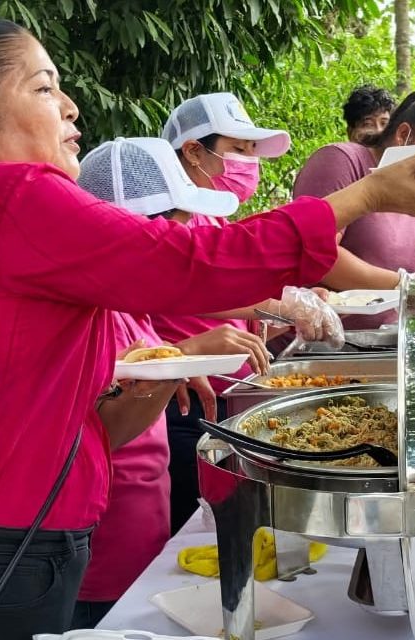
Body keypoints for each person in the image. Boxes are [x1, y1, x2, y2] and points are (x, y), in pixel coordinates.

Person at [0, 15, 415, 639]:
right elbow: (187, 264)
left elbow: (77, 416)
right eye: (45, 88)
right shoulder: (8, 196)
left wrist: (167, 372)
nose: (71, 106)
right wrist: (367, 196)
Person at [69, 136, 256, 627]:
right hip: (98, 565)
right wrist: (181, 355)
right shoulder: (87, 317)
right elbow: (95, 425)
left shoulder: (132, 306)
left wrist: (176, 357)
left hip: (140, 543)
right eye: (174, 229)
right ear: (131, 233)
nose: (183, 243)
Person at [157, 92, 329, 533]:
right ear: (193, 150)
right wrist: (279, 301)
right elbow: (179, 289)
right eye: (237, 150)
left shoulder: (211, 215)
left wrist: (270, 317)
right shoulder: (166, 215)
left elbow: (223, 299)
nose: (248, 164)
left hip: (222, 393)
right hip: (180, 398)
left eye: (251, 153)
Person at [293, 91, 415, 328]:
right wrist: (405, 286)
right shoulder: (342, 160)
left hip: (384, 343)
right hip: (318, 341)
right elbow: (314, 253)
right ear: (403, 135)